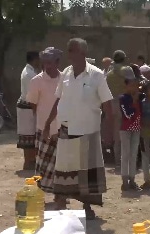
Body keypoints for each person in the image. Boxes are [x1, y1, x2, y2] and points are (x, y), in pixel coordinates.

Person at [44, 39, 113, 220]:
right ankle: (60, 203)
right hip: (66, 128)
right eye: (68, 50)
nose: (69, 54)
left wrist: (109, 132)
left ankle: (87, 207)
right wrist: (47, 123)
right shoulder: (66, 73)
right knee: (64, 168)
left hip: (87, 130)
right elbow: (58, 99)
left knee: (86, 172)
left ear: (83, 53)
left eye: (73, 50)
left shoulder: (96, 75)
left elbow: (107, 104)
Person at [25, 48, 64, 206]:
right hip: (44, 129)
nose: (47, 65)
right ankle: (40, 195)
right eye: (45, 62)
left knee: (61, 165)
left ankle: (60, 196)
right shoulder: (36, 81)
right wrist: (44, 122)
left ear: (57, 62)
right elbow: (33, 104)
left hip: (62, 128)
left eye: (50, 62)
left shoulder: (65, 79)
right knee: (42, 164)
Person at [105, 51, 135, 163]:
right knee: (128, 131)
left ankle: (118, 158)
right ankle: (127, 158)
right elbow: (133, 85)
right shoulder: (127, 70)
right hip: (126, 102)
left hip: (113, 103)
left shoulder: (109, 72)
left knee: (116, 131)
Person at [118, 76, 143, 190]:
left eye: (136, 85)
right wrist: (133, 101)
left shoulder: (140, 98)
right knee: (125, 154)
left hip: (136, 129)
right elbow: (128, 114)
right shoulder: (123, 98)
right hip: (126, 129)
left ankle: (132, 179)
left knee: (134, 155)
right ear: (126, 86)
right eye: (132, 85)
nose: (134, 88)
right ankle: (124, 181)